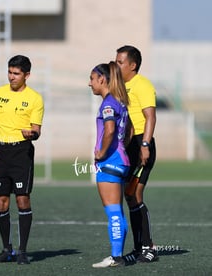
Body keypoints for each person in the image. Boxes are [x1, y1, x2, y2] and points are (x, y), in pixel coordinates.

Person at [0, 55, 44, 265]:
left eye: (16, 73)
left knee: (22, 199)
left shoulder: (35, 98)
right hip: (0, 152)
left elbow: (36, 130)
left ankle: (23, 251)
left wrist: (32, 134)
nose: (12, 77)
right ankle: (6, 249)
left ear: (27, 75)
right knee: (1, 201)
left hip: (22, 152)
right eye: (10, 72)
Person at [116, 45, 158, 263]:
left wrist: (144, 144)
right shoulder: (120, 86)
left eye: (120, 62)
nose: (117, 64)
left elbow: (150, 117)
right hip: (127, 146)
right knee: (129, 196)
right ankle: (138, 246)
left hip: (142, 144)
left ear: (132, 65)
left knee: (135, 195)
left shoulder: (142, 85)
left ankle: (149, 247)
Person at [89, 62, 130, 268]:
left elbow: (110, 130)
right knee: (118, 212)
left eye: (92, 79)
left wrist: (102, 153)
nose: (90, 83)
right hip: (121, 160)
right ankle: (118, 255)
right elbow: (128, 133)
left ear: (102, 79)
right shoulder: (120, 102)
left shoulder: (108, 103)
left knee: (113, 212)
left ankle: (116, 257)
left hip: (110, 162)